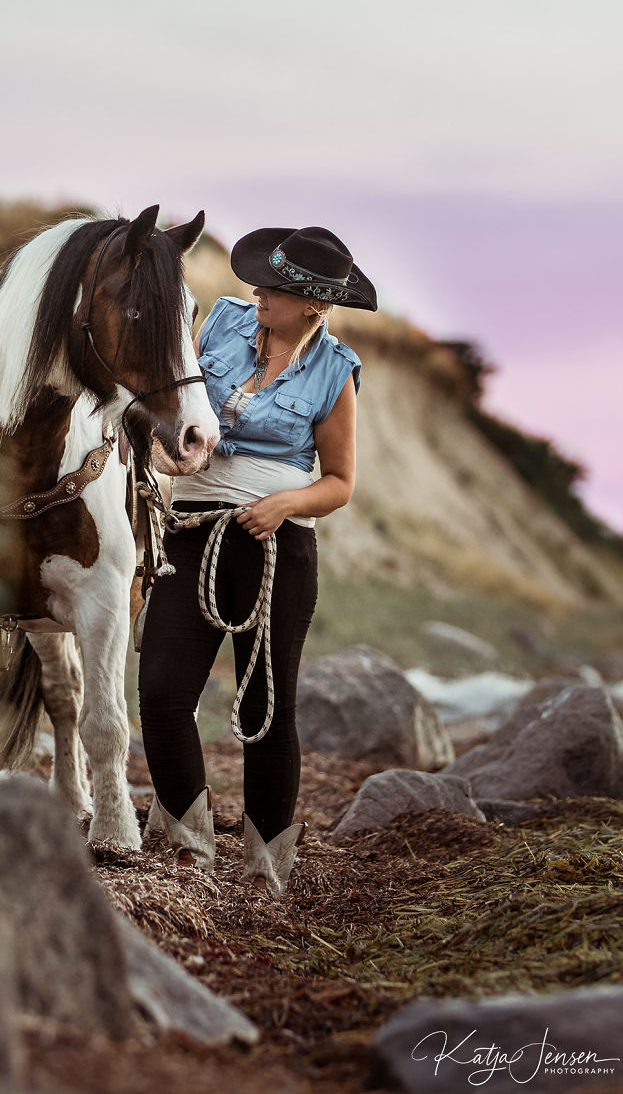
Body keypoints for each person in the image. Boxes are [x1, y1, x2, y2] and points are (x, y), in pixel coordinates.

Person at [138, 225, 377, 897]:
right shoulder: (222, 323)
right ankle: (188, 848)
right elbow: (174, 404)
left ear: (313, 303)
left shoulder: (335, 371)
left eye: (273, 288)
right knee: (161, 691)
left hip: (277, 548)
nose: (256, 293)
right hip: (191, 532)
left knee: (265, 711)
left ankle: (267, 867)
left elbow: (340, 482)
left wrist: (284, 505)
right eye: (260, 281)